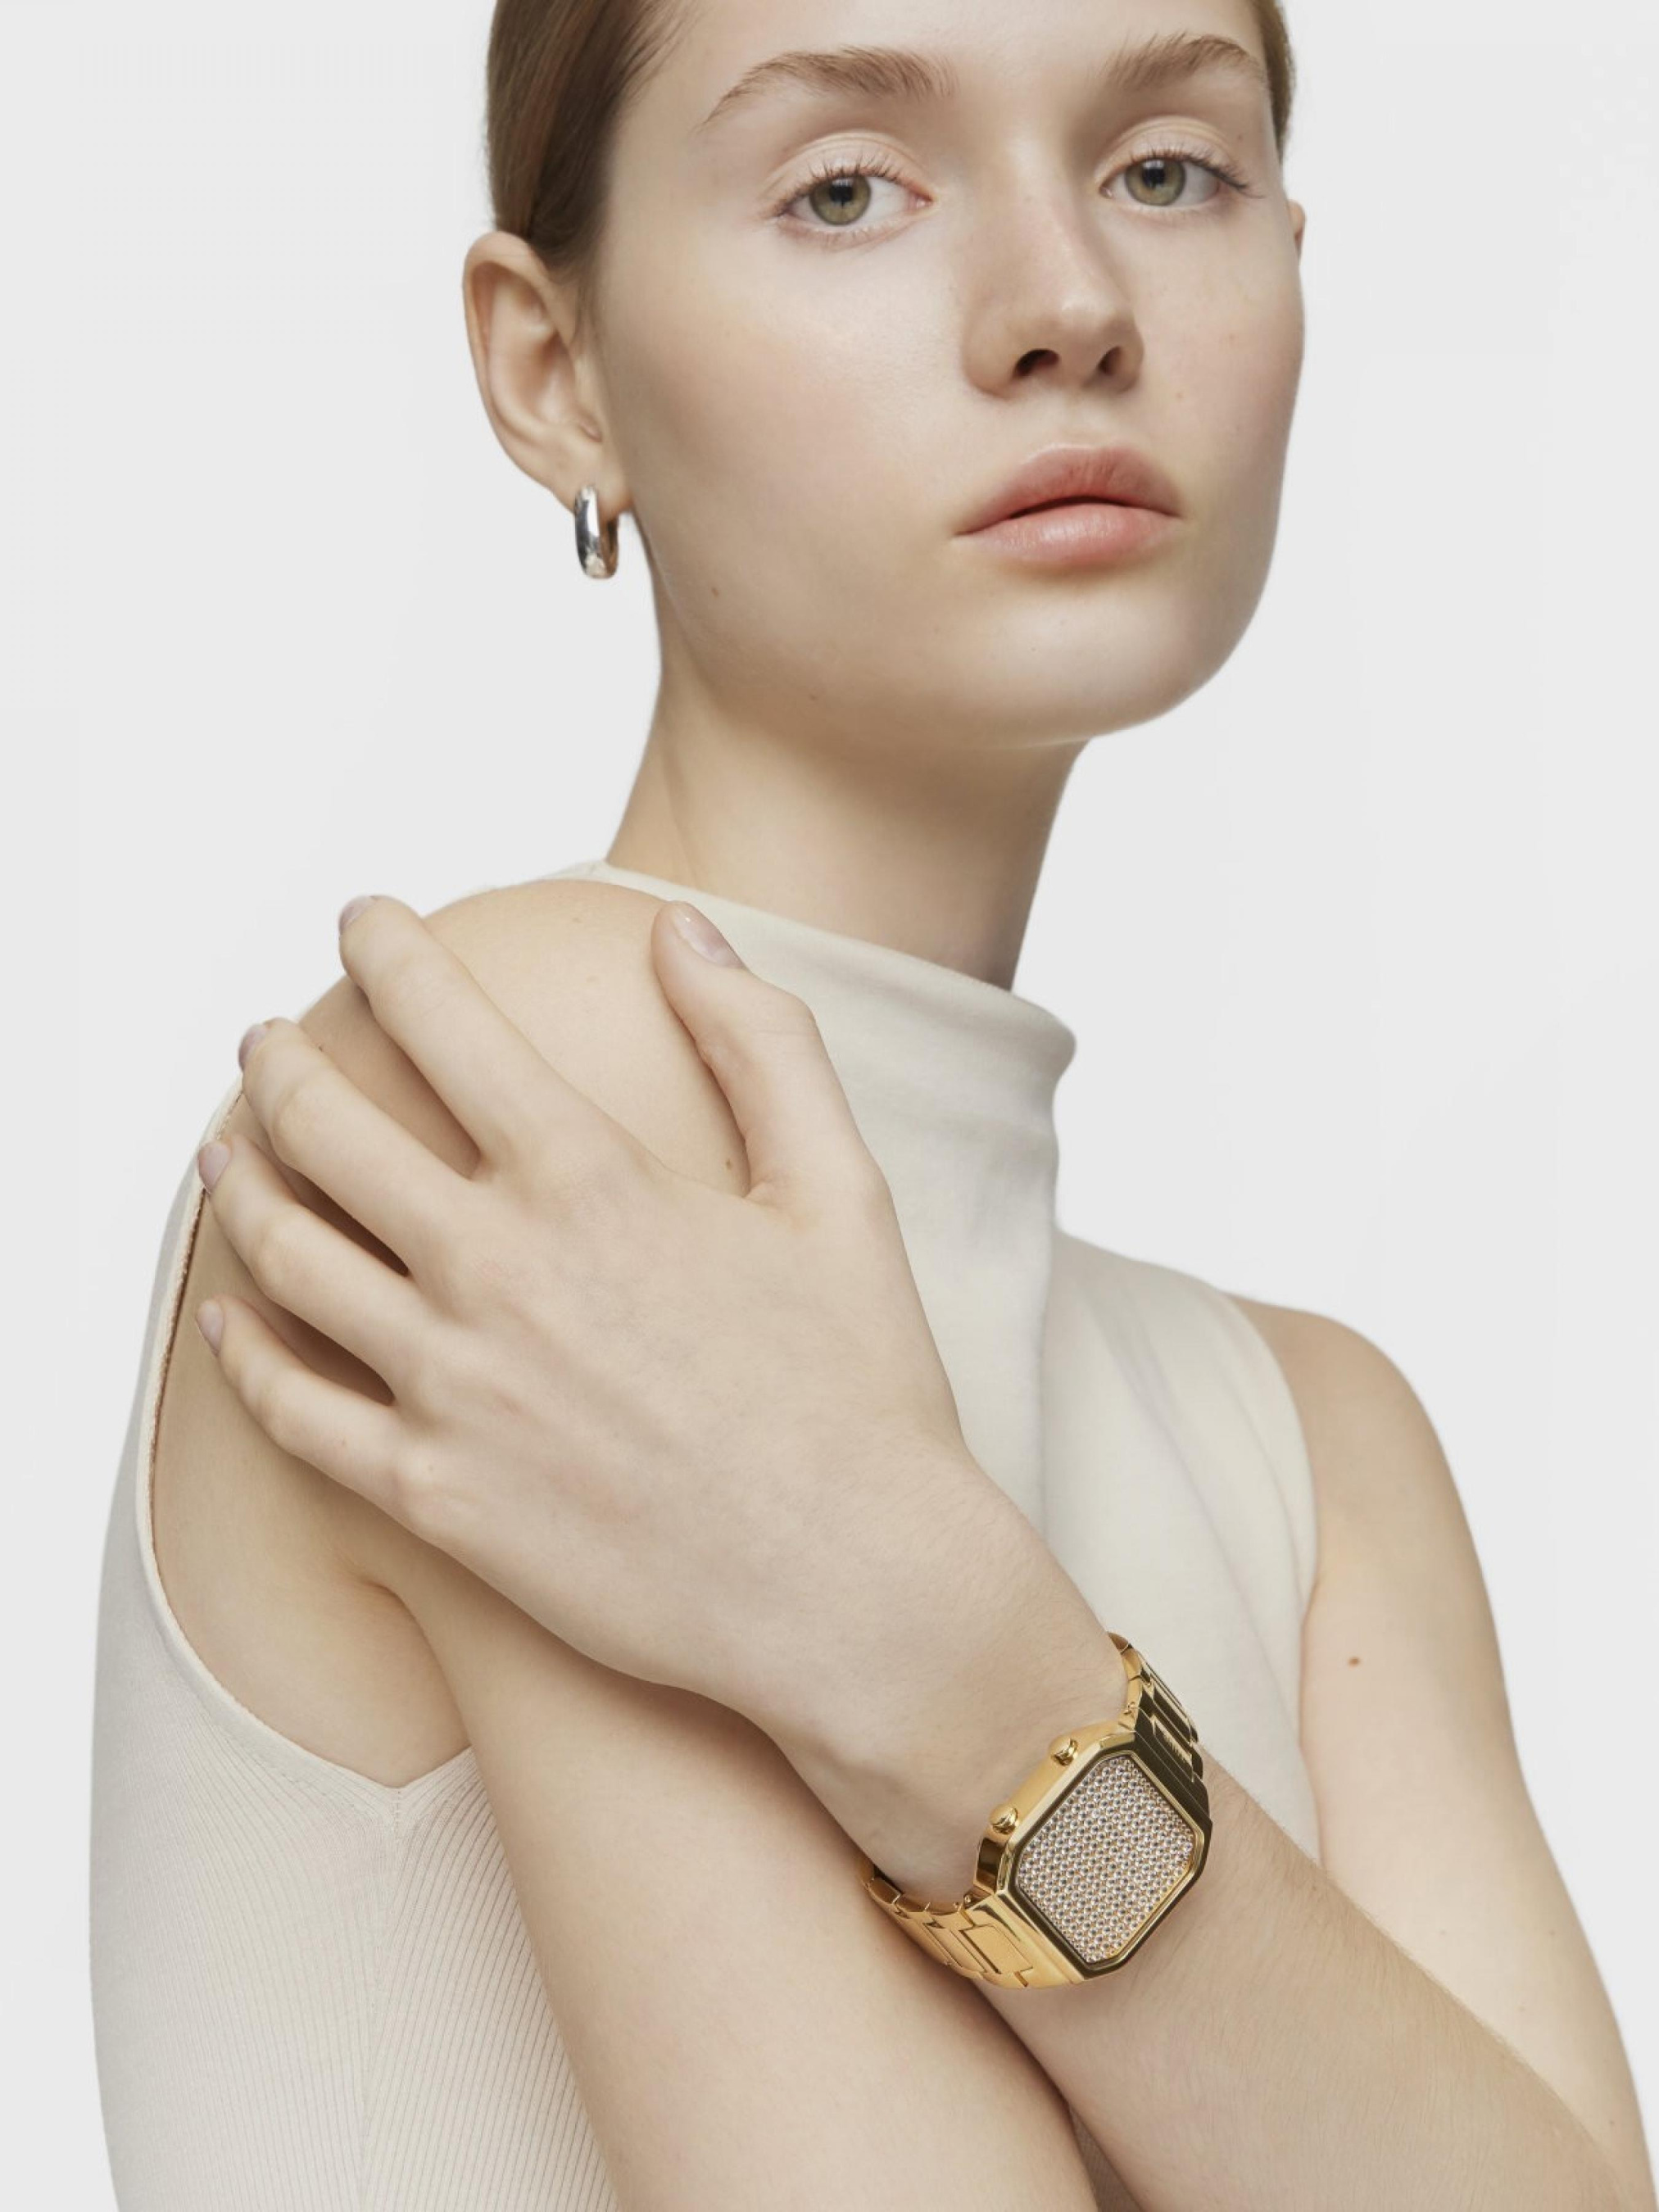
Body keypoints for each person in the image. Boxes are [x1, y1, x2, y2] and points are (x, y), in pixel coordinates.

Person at [89, 2, 1655, 2208]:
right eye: (845, 189)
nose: (1067, 304)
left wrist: (945, 1650)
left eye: (1166, 167)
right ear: (553, 370)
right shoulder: (512, 1111)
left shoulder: (1320, 1450)